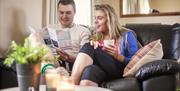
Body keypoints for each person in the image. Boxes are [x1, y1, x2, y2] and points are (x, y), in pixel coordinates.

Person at [70, 4, 139, 86]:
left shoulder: (127, 35)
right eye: (95, 18)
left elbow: (135, 62)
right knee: (89, 71)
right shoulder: (96, 37)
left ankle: (71, 84)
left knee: (89, 46)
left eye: (100, 18)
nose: (95, 21)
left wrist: (118, 56)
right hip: (102, 71)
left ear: (110, 20)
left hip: (119, 70)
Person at [41, 0, 91, 73]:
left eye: (68, 13)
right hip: (51, 60)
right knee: (33, 37)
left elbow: (85, 58)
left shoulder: (83, 31)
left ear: (74, 12)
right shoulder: (49, 28)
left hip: (71, 64)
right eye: (61, 12)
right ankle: (50, 71)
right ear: (57, 12)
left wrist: (69, 58)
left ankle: (52, 72)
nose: (64, 16)